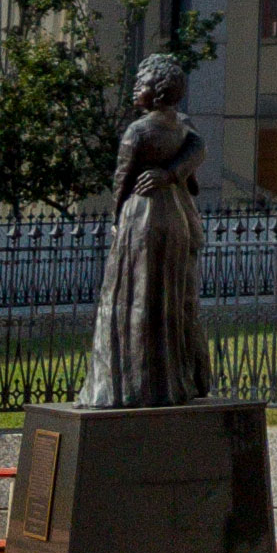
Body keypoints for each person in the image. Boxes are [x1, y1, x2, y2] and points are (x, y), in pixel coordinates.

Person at [77, 53, 214, 408]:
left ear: (156, 93)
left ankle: (127, 386)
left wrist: (115, 217)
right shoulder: (182, 126)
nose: (134, 89)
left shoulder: (138, 131)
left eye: (141, 84)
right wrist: (173, 172)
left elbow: (122, 180)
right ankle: (173, 382)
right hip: (175, 216)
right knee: (171, 298)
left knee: (130, 299)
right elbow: (199, 148)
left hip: (141, 218)